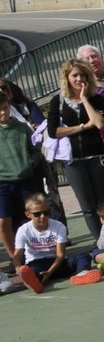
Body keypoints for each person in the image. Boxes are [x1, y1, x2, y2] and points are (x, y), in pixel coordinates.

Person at [47, 58, 104, 237]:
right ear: (67, 77)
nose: (79, 79)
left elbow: (100, 123)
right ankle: (100, 242)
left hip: (97, 156)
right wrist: (83, 127)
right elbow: (53, 131)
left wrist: (85, 99)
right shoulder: (58, 101)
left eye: (83, 75)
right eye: (75, 75)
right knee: (87, 206)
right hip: (73, 161)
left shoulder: (96, 98)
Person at [0, 88, 47, 272]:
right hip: (3, 183)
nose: (2, 112)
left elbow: (35, 150)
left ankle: (37, 255)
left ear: (9, 106)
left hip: (26, 180)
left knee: (30, 219)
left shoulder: (21, 128)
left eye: (5, 107)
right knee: (4, 222)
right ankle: (15, 259)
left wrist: (30, 163)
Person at [13, 194, 94, 292]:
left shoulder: (59, 226)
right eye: (37, 214)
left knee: (82, 256)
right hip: (37, 263)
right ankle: (36, 283)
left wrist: (49, 272)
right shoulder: (23, 230)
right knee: (31, 270)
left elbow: (60, 255)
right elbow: (17, 256)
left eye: (46, 213)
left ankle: (82, 274)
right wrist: (18, 268)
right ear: (28, 214)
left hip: (57, 263)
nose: (43, 216)